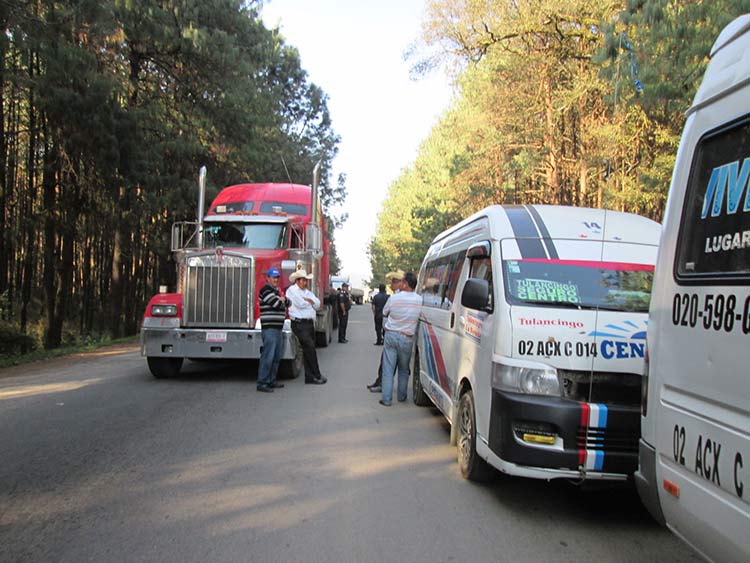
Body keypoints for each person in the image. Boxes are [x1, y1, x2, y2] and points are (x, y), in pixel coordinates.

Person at [379, 271, 421, 406]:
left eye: (402, 281)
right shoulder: (419, 300)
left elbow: (384, 312)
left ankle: (386, 399)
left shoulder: (394, 298)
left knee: (388, 369)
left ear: (406, 284)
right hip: (407, 338)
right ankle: (402, 396)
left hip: (391, 336)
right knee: (404, 369)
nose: (400, 283)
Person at [286, 268, 327, 385]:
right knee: (310, 349)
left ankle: (309, 376)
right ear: (297, 281)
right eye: (304, 280)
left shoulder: (308, 292)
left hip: (309, 323)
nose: (305, 283)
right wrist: (310, 302)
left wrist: (310, 301)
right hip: (299, 323)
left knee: (308, 349)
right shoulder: (292, 291)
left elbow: (318, 304)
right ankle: (316, 374)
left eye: (306, 280)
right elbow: (300, 304)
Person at [367, 270, 404, 392]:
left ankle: (383, 387)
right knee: (397, 365)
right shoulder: (392, 296)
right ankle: (394, 390)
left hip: (393, 333)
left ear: (401, 283)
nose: (392, 284)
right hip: (398, 334)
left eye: (394, 281)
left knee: (387, 363)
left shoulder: (396, 298)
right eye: (391, 282)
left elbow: (385, 312)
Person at [257, 267, 287, 393]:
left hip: (278, 328)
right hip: (269, 329)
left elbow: (288, 303)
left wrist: (282, 300)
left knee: (276, 356)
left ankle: (271, 381)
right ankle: (262, 382)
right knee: (268, 356)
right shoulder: (266, 290)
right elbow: (277, 304)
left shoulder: (276, 291)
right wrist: (282, 301)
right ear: (268, 278)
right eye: (273, 277)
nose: (276, 280)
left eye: (277, 278)